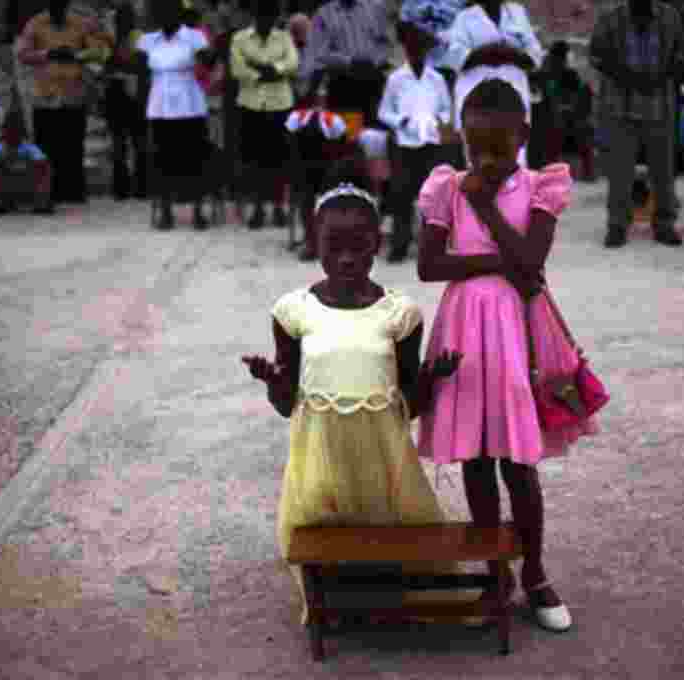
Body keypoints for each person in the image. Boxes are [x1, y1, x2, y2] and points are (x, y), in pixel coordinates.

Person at [241, 161, 472, 626]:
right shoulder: (294, 311)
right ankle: (332, 589)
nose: (346, 258)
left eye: (358, 247)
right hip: (321, 453)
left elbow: (408, 405)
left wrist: (433, 378)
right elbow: (288, 407)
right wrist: (274, 382)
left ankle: (383, 588)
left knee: (389, 537)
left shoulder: (400, 314)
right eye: (334, 246)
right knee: (326, 528)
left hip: (382, 454)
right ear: (315, 243)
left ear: (377, 245)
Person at [416, 78, 598, 633]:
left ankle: (536, 572)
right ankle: (496, 572)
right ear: (463, 140)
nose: (486, 159)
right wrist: (495, 261)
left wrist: (485, 208)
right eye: (476, 148)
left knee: (519, 461)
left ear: (523, 137)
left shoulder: (539, 186)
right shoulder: (446, 186)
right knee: (475, 456)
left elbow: (532, 261)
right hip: (465, 330)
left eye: (498, 147)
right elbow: (429, 266)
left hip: (518, 330)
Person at [589, 0, 684, 248]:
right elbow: (596, 55)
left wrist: (663, 76)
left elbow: (682, 55)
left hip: (660, 106)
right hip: (621, 107)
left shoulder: (670, 17)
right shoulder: (611, 18)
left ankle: (665, 224)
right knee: (620, 171)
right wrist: (626, 76)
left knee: (663, 171)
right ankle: (617, 225)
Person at [15, 0, 111, 205]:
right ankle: (48, 194)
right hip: (45, 96)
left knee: (73, 146)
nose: (57, 8)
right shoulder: (35, 23)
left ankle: (74, 192)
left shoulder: (79, 23)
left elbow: (98, 51)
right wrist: (48, 54)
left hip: (73, 94)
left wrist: (76, 55)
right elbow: (22, 54)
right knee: (47, 147)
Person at [378, 13, 453, 263]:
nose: (416, 54)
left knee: (431, 197)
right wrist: (401, 121)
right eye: (412, 49)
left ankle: (430, 247)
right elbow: (383, 111)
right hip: (405, 143)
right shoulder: (396, 79)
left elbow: (446, 108)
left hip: (430, 143)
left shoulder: (436, 79)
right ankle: (399, 244)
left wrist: (438, 120)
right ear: (407, 51)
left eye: (420, 49)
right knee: (402, 194)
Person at [137, 0, 216, 230]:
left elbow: (208, 62)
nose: (165, 16)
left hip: (189, 104)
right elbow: (141, 72)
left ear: (179, 14)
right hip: (160, 105)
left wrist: (209, 53)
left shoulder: (193, 37)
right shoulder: (147, 40)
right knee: (162, 160)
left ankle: (198, 211)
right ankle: (165, 211)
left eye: (170, 12)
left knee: (194, 159)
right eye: (160, 12)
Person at [439, 0, 544, 168]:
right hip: (477, 93)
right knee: (478, 154)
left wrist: (508, 53)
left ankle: (514, 192)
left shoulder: (517, 13)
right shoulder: (464, 18)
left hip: (512, 91)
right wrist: (487, 52)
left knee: (516, 152)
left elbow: (534, 55)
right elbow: (456, 57)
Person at [230, 0, 299, 229]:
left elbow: (293, 63)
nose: (266, 20)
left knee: (279, 160)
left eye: (270, 16)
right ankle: (258, 208)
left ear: (275, 18)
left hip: (280, 105)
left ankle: (279, 208)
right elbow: (237, 69)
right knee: (254, 160)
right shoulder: (239, 38)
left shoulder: (284, 37)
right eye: (262, 15)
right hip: (250, 105)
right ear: (255, 16)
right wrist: (271, 71)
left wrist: (266, 68)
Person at [285, 100, 351, 262]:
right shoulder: (296, 117)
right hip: (304, 166)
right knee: (306, 203)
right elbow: (289, 142)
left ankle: (329, 242)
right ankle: (312, 242)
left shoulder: (334, 119)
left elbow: (343, 145)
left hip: (326, 166)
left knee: (329, 204)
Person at [296, 0, 392, 100]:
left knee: (377, 114)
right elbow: (318, 52)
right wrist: (349, 61)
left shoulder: (376, 8)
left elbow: (386, 43)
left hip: (374, 81)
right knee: (346, 115)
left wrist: (374, 61)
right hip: (342, 84)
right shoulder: (323, 14)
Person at [103, 2, 147, 200]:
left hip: (133, 92)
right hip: (118, 92)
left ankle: (138, 188)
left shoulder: (137, 37)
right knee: (122, 143)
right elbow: (105, 65)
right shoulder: (110, 38)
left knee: (136, 143)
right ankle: (124, 189)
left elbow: (140, 63)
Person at [532, 40, 595, 178]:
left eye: (561, 57)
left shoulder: (569, 75)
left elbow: (578, 97)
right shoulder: (540, 75)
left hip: (567, 118)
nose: (559, 61)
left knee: (578, 129)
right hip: (546, 119)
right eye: (557, 57)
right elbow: (537, 100)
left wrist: (568, 107)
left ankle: (587, 172)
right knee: (555, 126)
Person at [0, 110, 54, 216]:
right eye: (9, 130)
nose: (12, 133)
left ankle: (41, 204)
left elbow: (43, 161)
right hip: (6, 185)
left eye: (15, 130)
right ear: (4, 131)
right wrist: (1, 162)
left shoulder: (28, 147)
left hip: (26, 184)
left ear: (21, 132)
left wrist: (25, 163)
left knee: (46, 168)